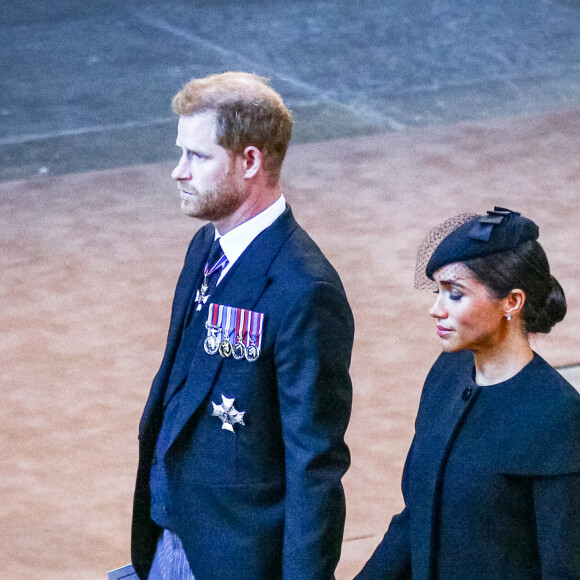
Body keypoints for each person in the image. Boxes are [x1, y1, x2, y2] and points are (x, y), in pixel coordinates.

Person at [131, 72, 354, 580]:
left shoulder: (305, 290)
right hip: (172, 542)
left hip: (236, 561)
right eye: (180, 152)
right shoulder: (205, 248)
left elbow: (314, 463)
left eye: (197, 156)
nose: (177, 172)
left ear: (250, 161)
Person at [356, 207, 580, 579]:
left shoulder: (557, 415)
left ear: (512, 302)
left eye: (455, 295)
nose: (435, 309)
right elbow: (416, 518)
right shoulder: (446, 375)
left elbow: (565, 567)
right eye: (438, 292)